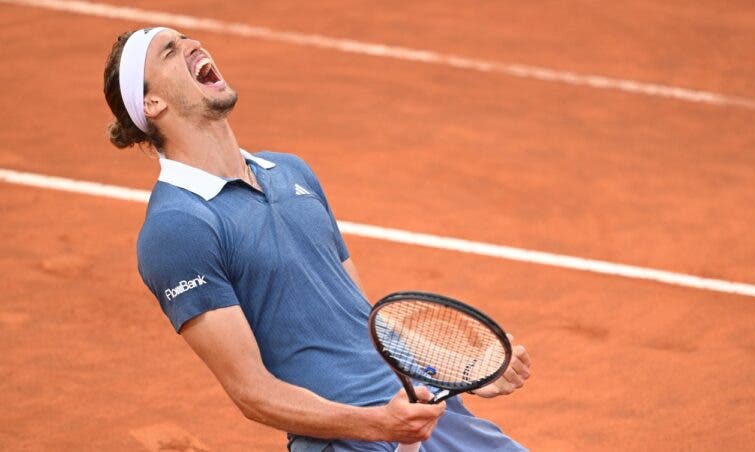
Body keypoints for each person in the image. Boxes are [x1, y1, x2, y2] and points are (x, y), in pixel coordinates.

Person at [103, 27, 532, 451]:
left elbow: (363, 318)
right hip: (349, 439)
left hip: (418, 413)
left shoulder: (290, 172)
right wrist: (378, 425)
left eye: (186, 38)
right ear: (151, 103)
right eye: (169, 51)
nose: (192, 44)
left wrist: (465, 370)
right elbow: (252, 392)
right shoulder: (177, 226)